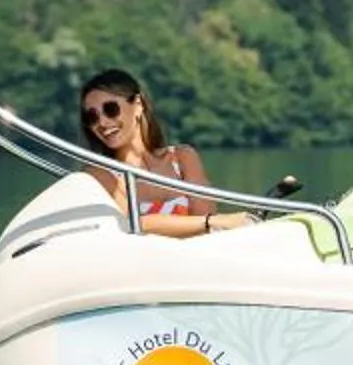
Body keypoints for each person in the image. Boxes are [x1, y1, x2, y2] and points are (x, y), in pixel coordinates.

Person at [77, 68, 249, 238]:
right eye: (92, 117)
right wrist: (210, 222)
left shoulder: (182, 158)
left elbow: (207, 220)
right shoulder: (99, 175)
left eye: (110, 109)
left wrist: (211, 222)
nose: (102, 122)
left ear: (138, 105)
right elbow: (134, 224)